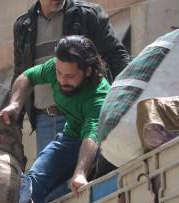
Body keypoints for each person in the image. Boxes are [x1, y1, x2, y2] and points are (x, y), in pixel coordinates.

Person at [1, 35, 115, 203]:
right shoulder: (56, 68)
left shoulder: (98, 95)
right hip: (69, 137)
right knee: (29, 188)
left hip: (96, 145)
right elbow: (27, 76)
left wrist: (80, 173)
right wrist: (16, 103)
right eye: (59, 73)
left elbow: (92, 135)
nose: (62, 80)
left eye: (70, 76)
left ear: (87, 71)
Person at [12, 0, 130, 174]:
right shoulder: (24, 26)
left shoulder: (88, 14)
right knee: (52, 193)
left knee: (88, 181)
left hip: (87, 115)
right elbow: (20, 73)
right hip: (45, 119)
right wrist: (14, 119)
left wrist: (124, 103)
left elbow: (118, 57)